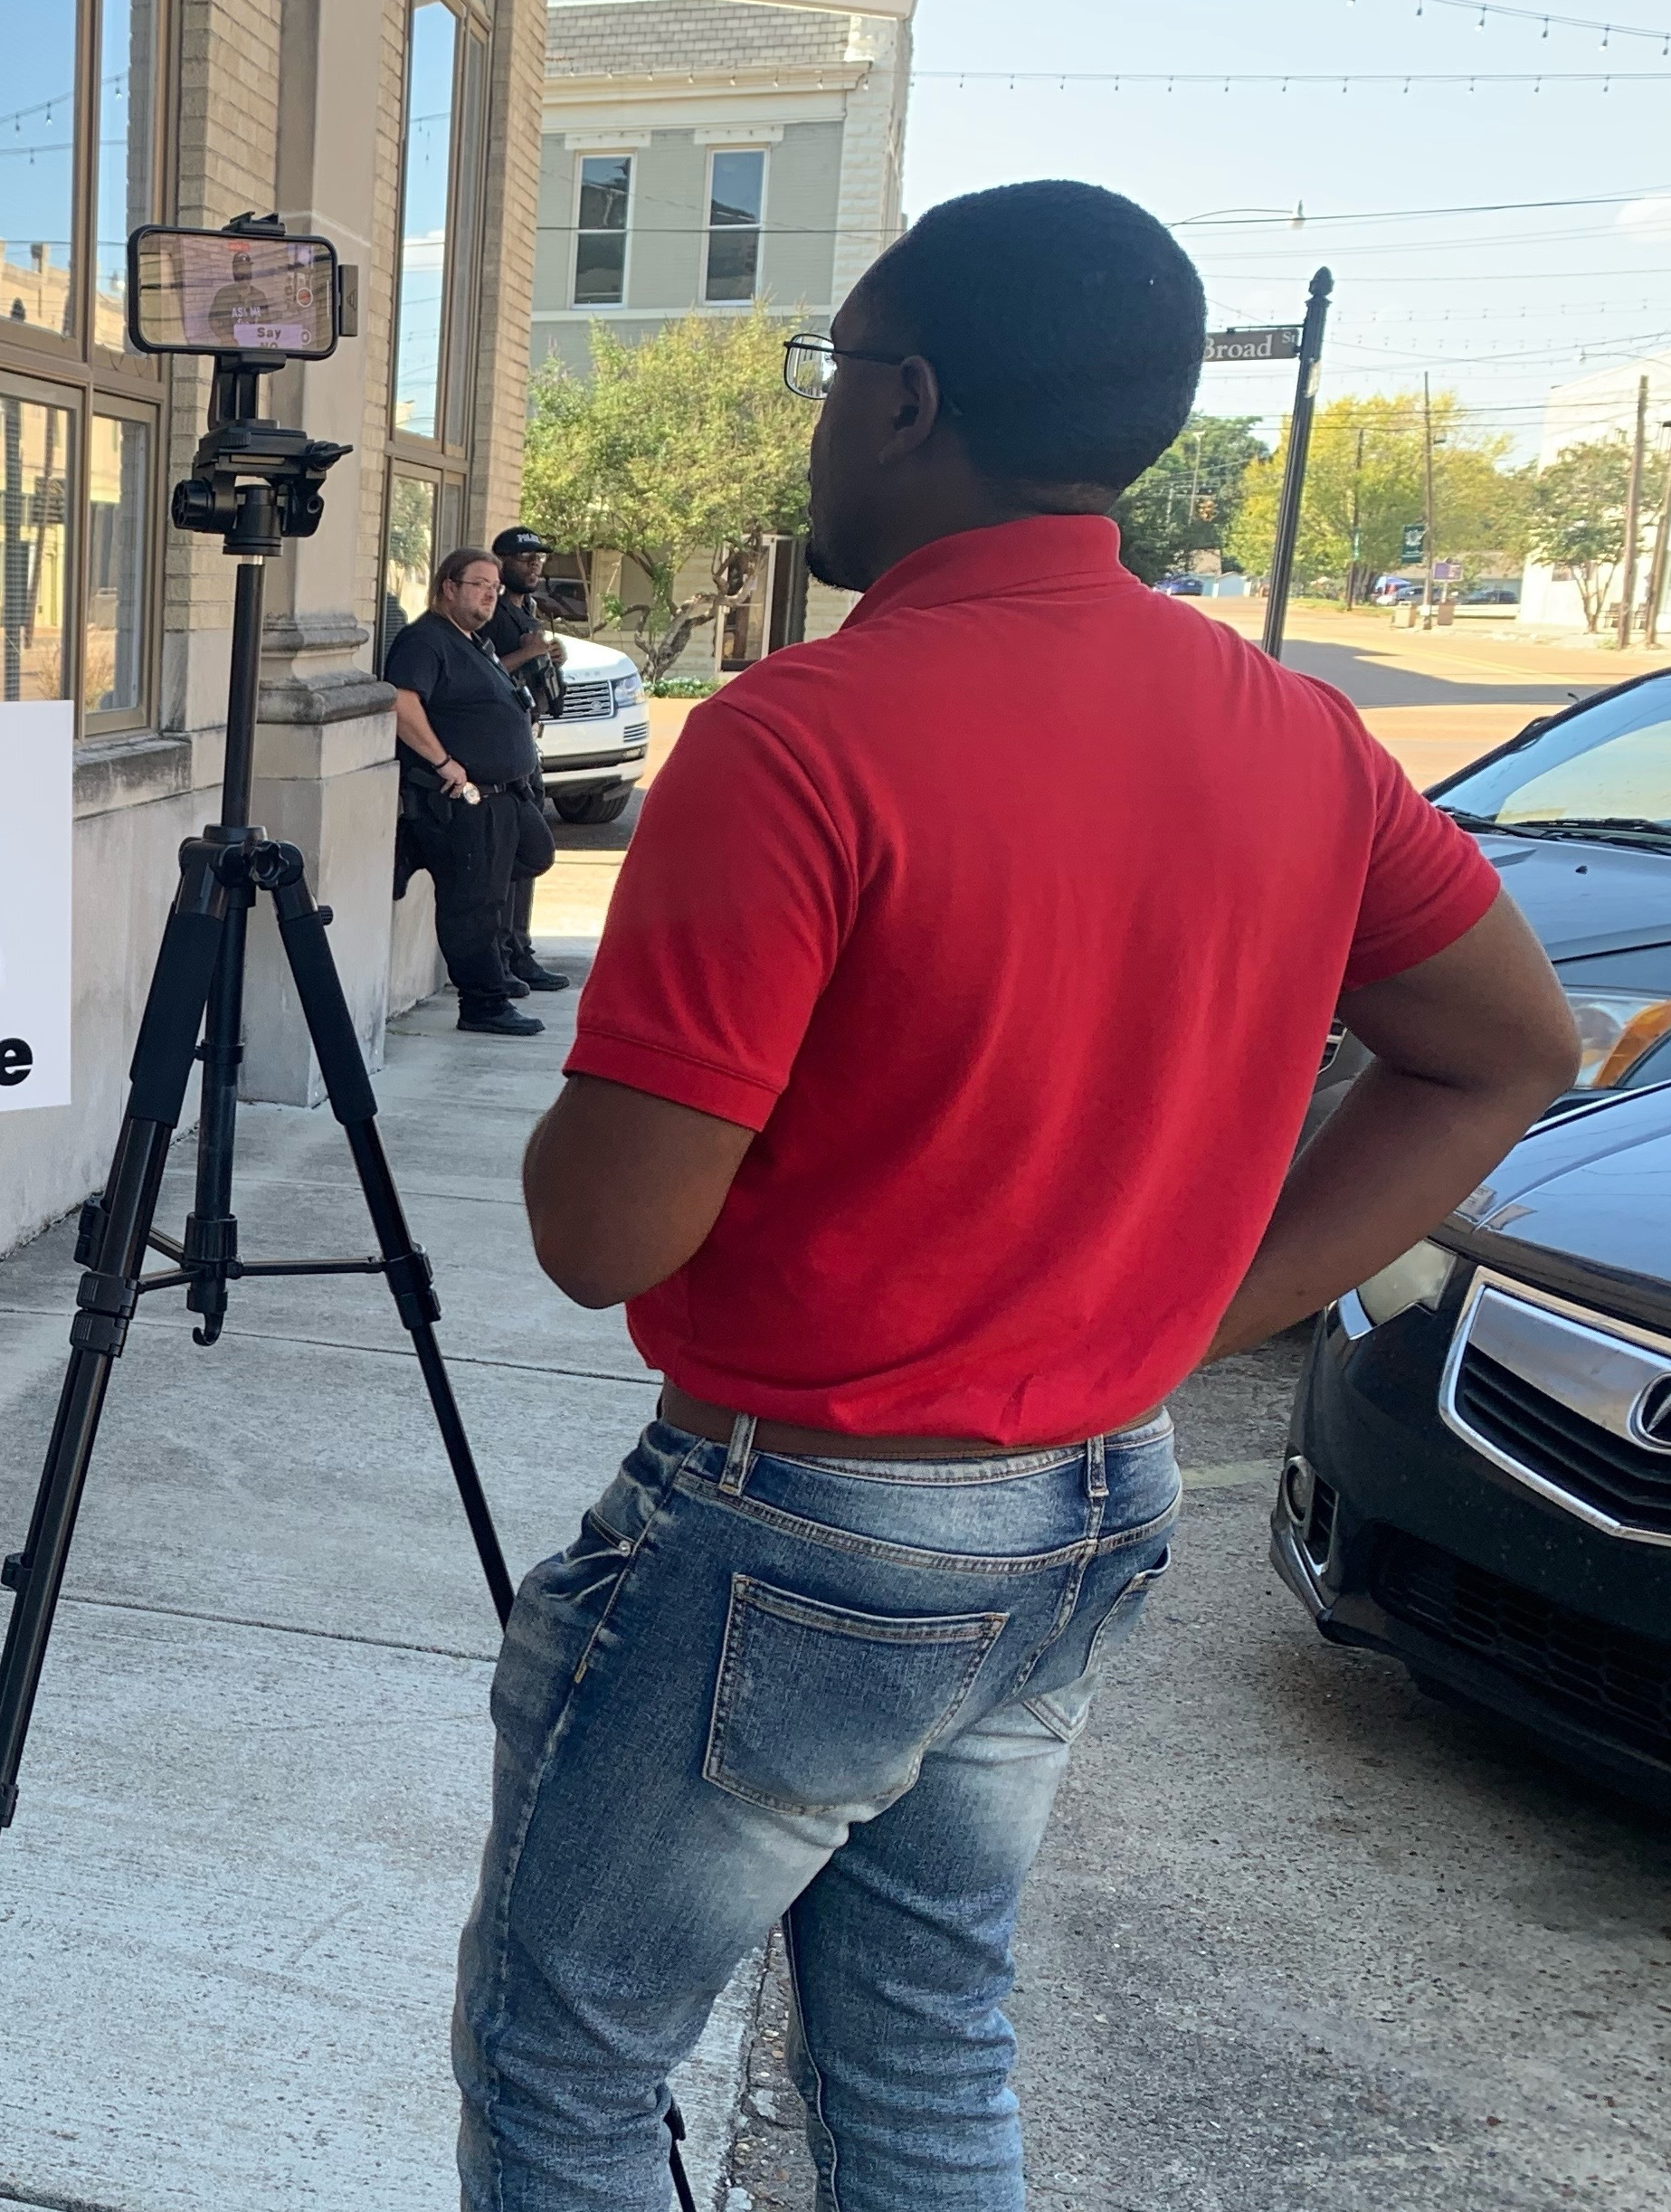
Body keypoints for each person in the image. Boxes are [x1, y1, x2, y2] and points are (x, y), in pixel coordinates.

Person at [453, 180, 1576, 2210]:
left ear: (907, 400)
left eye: (829, 376)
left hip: (806, 1525)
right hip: (1087, 1500)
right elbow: (1507, 1046)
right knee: (921, 2039)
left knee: (570, 2055)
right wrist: (1197, 1308)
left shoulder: (798, 738)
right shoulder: (1299, 736)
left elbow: (599, 1233)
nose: (813, 427)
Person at [386, 549, 547, 1037]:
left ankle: (419, 849)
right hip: (465, 797)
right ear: (448, 587)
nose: (489, 595)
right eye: (479, 584)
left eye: (494, 588)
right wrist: (443, 762)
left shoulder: (473, 642)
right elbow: (401, 701)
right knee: (472, 905)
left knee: (534, 855)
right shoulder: (425, 640)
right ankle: (483, 1005)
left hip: (508, 795)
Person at [476, 527, 570, 995]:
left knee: (528, 853)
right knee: (517, 854)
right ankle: (506, 953)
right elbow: (481, 674)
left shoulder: (527, 609)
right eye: (524, 558)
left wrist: (550, 658)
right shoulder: (491, 616)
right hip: (500, 751)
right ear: (501, 561)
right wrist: (527, 653)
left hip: (527, 736)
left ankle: (520, 947)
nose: (535, 566)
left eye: (539, 559)